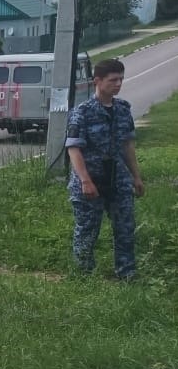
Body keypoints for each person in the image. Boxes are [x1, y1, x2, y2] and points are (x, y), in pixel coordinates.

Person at [65, 58, 144, 280]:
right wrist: (85, 180)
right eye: (113, 80)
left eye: (121, 79)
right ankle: (84, 275)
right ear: (97, 81)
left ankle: (126, 273)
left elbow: (127, 145)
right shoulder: (82, 112)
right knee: (88, 230)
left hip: (118, 179)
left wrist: (136, 177)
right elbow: (74, 149)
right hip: (91, 179)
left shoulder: (122, 109)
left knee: (125, 228)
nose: (118, 84)